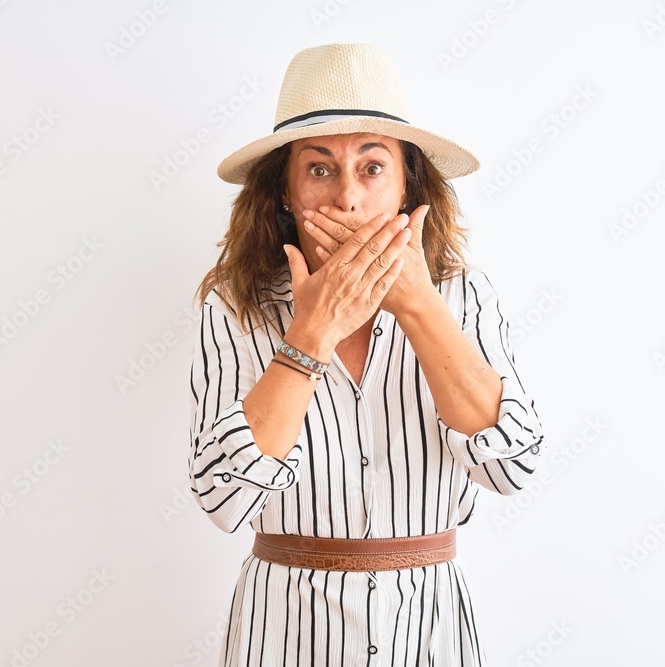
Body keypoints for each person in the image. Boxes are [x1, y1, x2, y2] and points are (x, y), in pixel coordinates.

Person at [187, 43, 546, 666]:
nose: (347, 198)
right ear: (285, 191)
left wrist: (419, 305)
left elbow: (512, 467)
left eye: (373, 167)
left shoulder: (464, 297)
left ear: (408, 186)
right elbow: (223, 499)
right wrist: (311, 334)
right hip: (285, 630)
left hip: (429, 630)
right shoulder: (236, 307)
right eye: (319, 169)